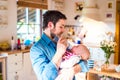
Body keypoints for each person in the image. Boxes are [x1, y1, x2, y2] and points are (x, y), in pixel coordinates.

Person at [30, 10, 92, 80]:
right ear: (50, 25)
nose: (63, 30)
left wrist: (73, 70)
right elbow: (45, 77)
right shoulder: (36, 49)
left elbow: (88, 63)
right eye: (61, 27)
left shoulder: (62, 42)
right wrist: (59, 53)